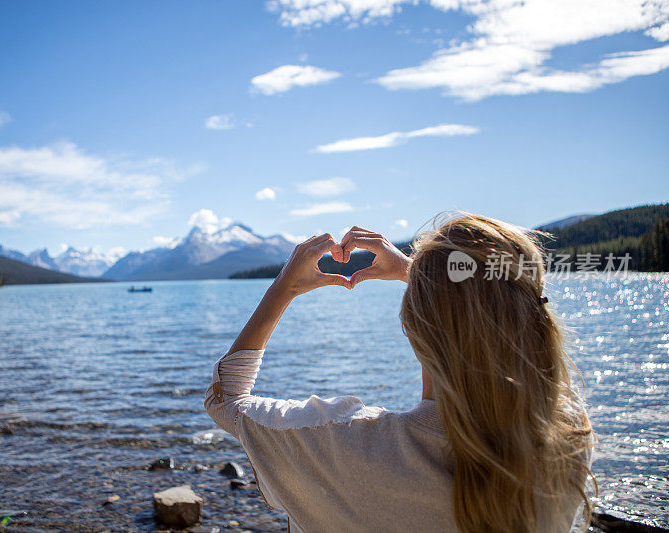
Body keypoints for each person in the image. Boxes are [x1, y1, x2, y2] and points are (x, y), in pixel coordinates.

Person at [204, 213, 595, 532]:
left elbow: (226, 399)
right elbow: (487, 308)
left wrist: (283, 288)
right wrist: (423, 278)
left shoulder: (349, 444)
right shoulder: (563, 439)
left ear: (414, 326)